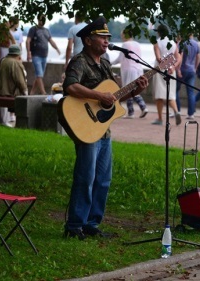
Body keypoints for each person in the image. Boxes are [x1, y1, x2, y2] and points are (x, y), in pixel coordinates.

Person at [62, 16, 149, 240]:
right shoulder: (80, 61)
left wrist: (136, 91)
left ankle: (92, 223)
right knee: (85, 177)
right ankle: (74, 226)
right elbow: (70, 86)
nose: (106, 41)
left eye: (108, 37)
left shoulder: (106, 64)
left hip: (103, 130)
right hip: (87, 128)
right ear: (89, 40)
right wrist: (99, 95)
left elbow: (115, 97)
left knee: (103, 179)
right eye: (102, 37)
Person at [110, 29, 149, 119]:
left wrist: (110, 63)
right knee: (133, 89)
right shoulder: (137, 44)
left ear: (126, 35)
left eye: (122, 35)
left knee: (127, 89)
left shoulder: (125, 44)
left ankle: (134, 111)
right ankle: (141, 108)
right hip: (138, 69)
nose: (121, 37)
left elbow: (119, 58)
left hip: (128, 69)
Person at [151, 24, 181, 126]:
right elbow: (178, 57)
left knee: (159, 94)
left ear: (159, 32)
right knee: (170, 93)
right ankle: (176, 111)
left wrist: (165, 66)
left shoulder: (157, 43)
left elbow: (158, 59)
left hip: (160, 70)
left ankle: (160, 118)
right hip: (171, 71)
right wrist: (173, 67)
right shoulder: (172, 43)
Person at [26, 14, 61, 95]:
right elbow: (28, 41)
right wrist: (28, 53)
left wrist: (57, 49)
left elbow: (51, 41)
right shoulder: (33, 29)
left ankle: (32, 93)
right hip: (36, 55)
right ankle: (43, 93)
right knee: (39, 75)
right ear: (38, 20)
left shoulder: (46, 30)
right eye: (41, 19)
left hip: (44, 56)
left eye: (44, 19)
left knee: (39, 76)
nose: (42, 21)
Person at [176, 33, 200, 119]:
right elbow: (198, 57)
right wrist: (195, 68)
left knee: (176, 90)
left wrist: (178, 69)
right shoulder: (196, 44)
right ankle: (191, 114)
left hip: (182, 69)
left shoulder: (182, 43)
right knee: (190, 92)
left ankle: (177, 111)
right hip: (191, 70)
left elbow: (180, 56)